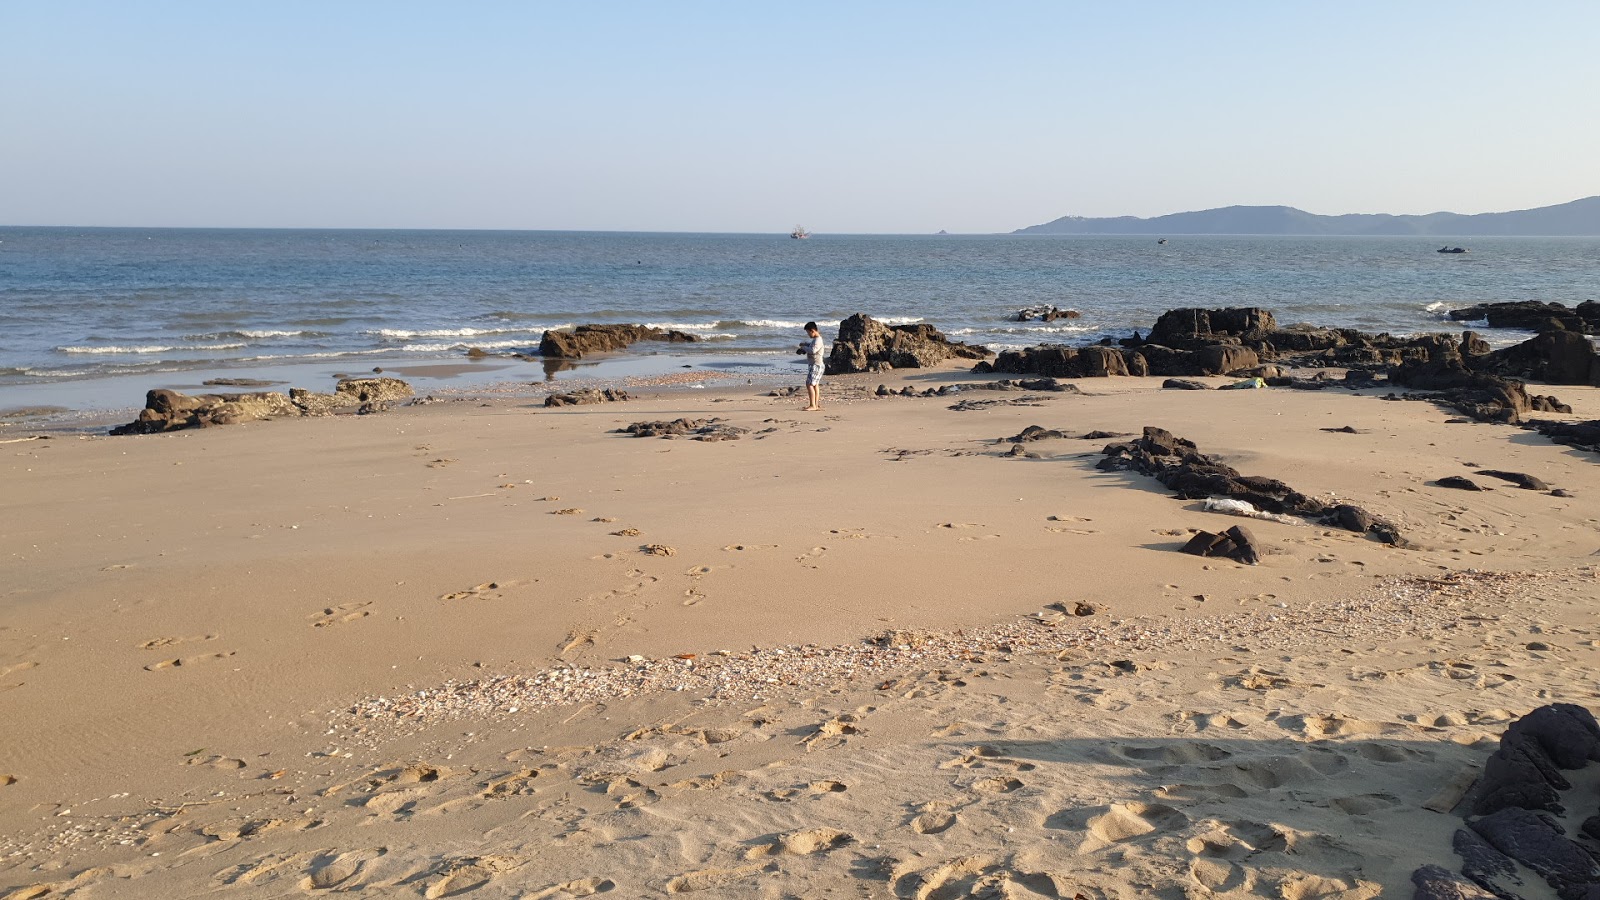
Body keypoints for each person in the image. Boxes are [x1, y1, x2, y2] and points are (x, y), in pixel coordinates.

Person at [797, 321, 824, 411]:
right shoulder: (816, 340)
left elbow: (813, 350)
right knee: (815, 384)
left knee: (809, 384)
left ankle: (813, 405)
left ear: (812, 331)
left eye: (808, 333)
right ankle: (815, 404)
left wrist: (804, 348)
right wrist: (805, 345)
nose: (808, 335)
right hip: (816, 365)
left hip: (816, 365)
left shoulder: (818, 340)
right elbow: (811, 346)